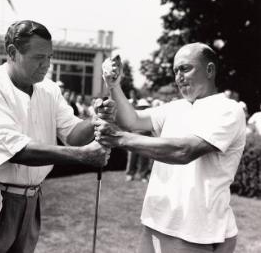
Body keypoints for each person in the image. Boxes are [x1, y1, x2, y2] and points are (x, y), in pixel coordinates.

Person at [0, 20, 112, 253]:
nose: (47, 65)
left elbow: (72, 134)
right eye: (39, 57)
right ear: (12, 52)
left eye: (50, 57)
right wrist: (83, 156)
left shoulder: (49, 89)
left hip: (28, 200)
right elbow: (16, 150)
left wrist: (93, 121)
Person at [95, 43, 246, 253]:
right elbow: (132, 120)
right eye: (175, 71)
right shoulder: (175, 107)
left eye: (185, 68)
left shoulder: (228, 110)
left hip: (195, 233)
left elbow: (184, 151)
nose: (178, 77)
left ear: (210, 70)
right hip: (155, 223)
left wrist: (118, 138)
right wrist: (114, 86)